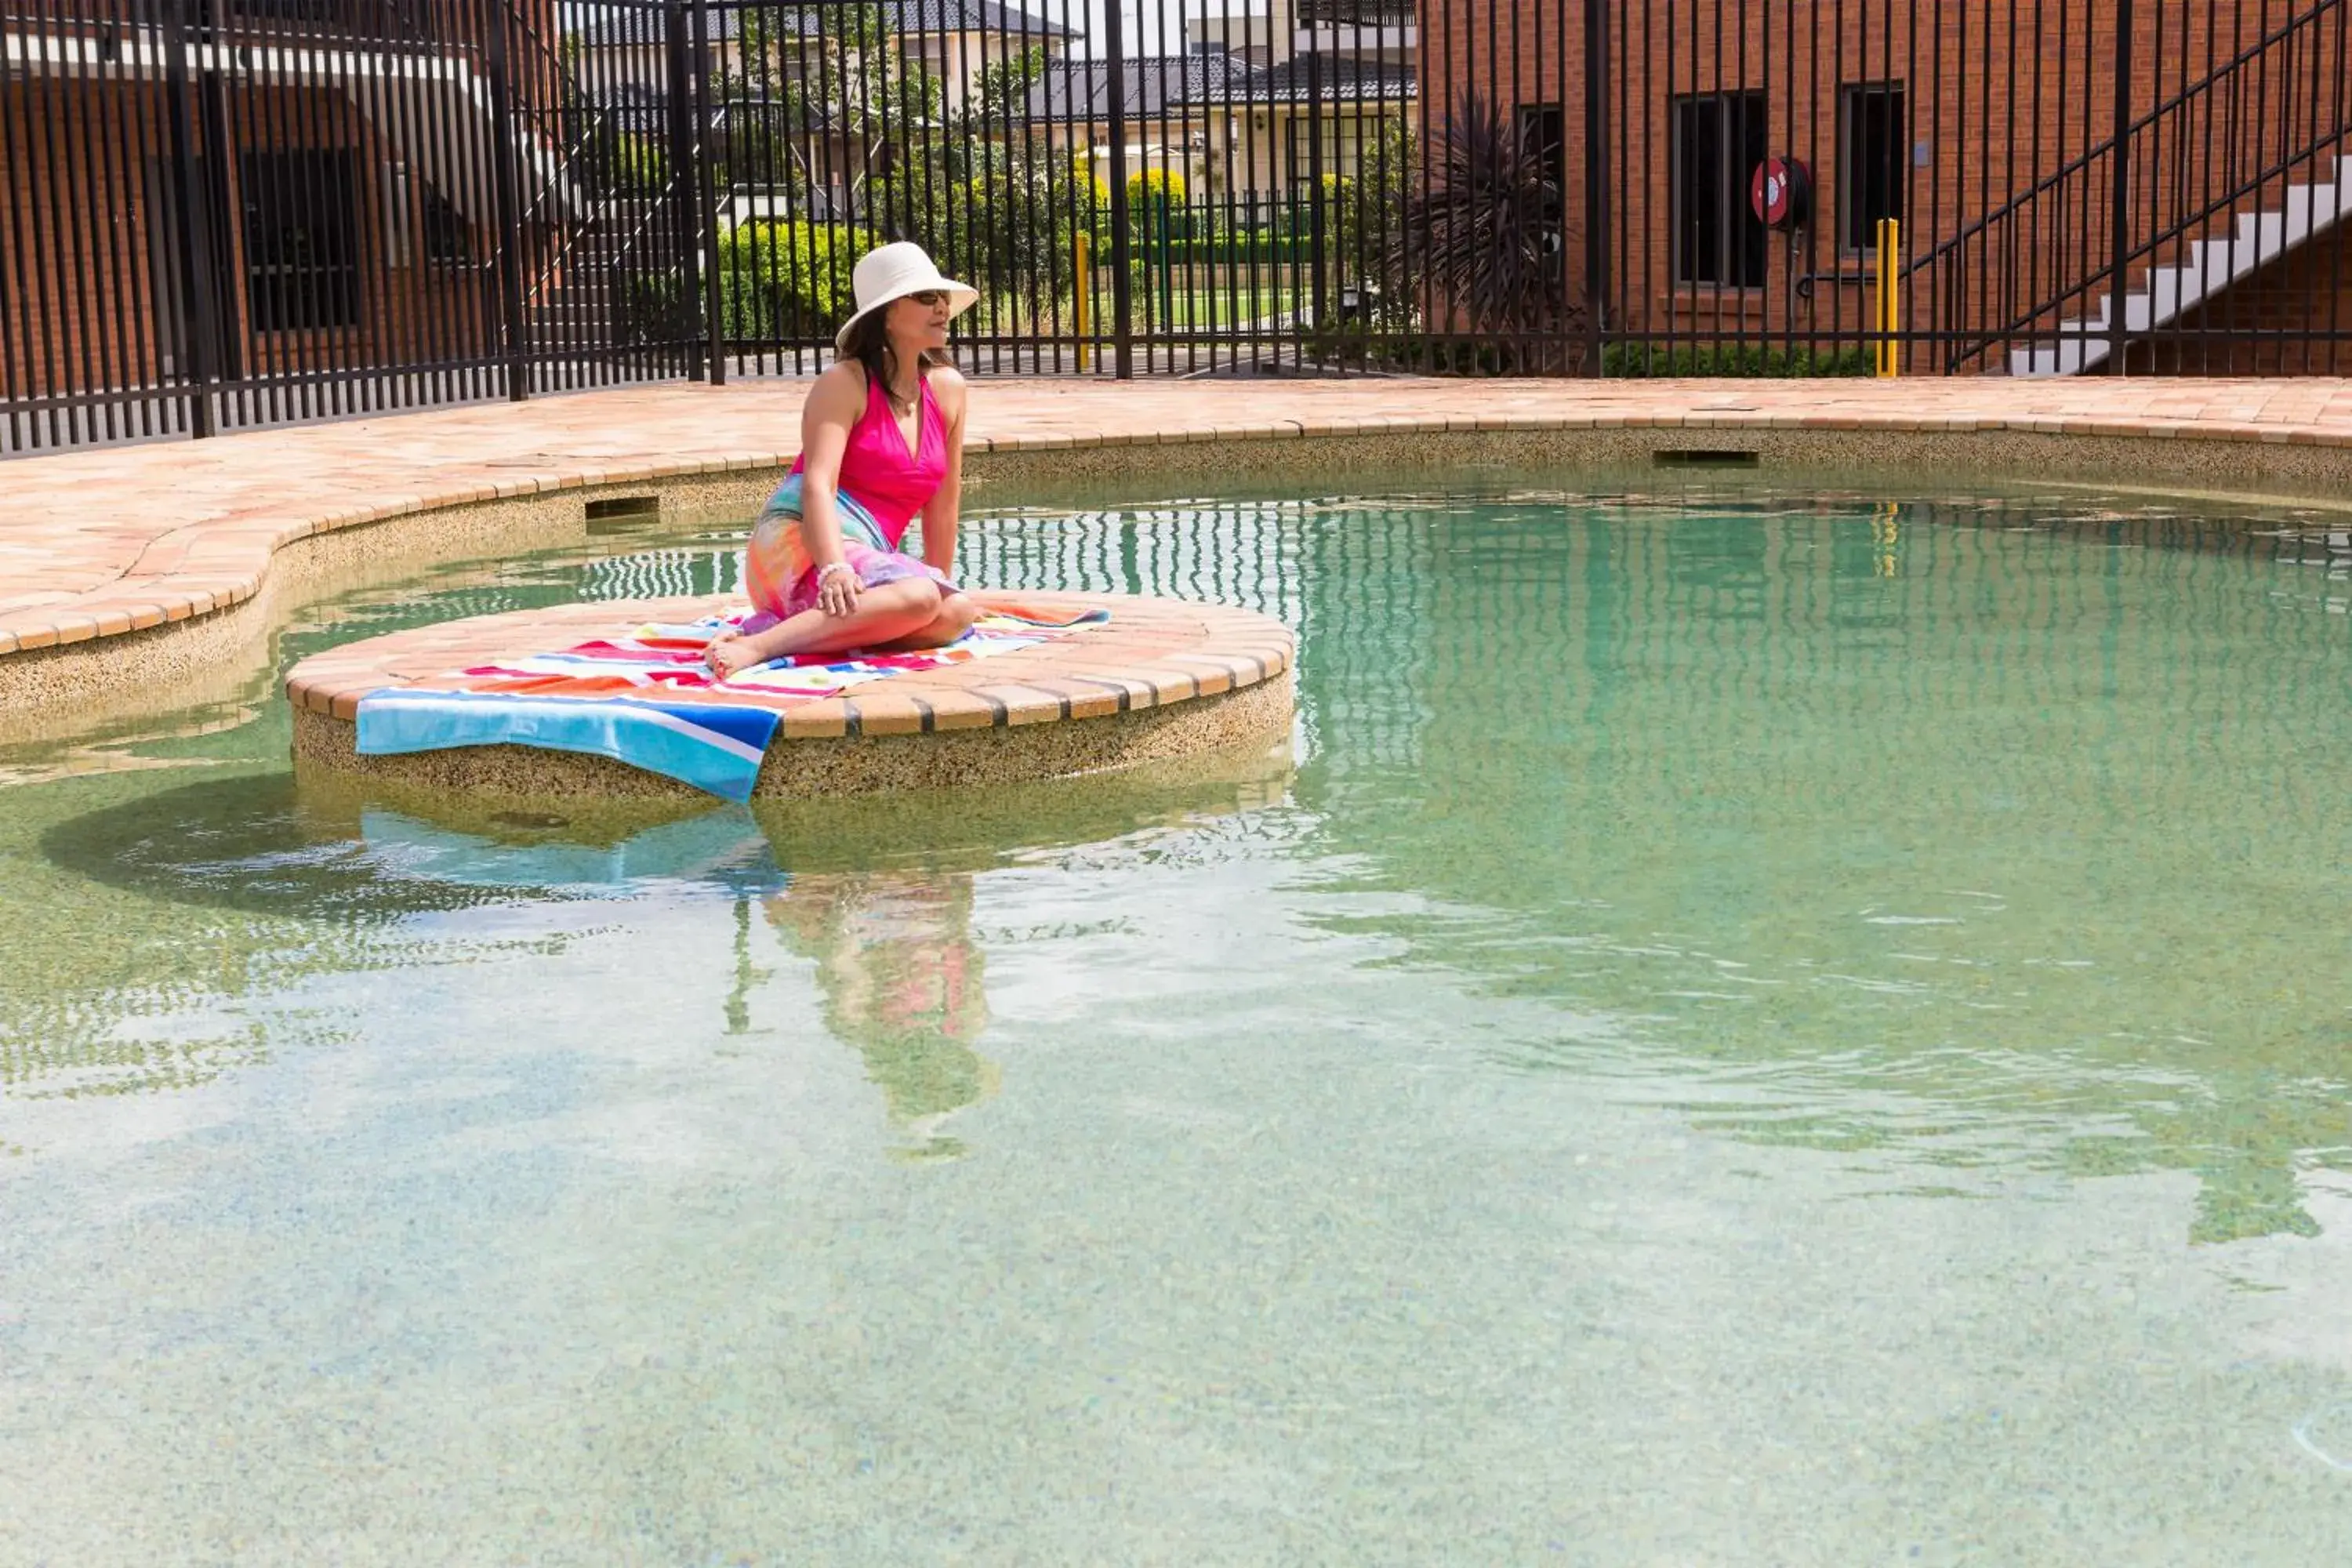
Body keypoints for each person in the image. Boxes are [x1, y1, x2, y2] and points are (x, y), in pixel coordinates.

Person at [706, 241, 987, 681]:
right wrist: (834, 566)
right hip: (802, 540)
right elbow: (819, 484)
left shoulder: (949, 390)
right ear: (887, 313)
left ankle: (802, 633)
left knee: (953, 611)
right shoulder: (844, 383)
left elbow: (944, 502)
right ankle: (758, 646)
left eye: (943, 298)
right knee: (918, 598)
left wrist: (942, 578)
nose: (942, 308)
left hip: (866, 553)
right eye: (925, 297)